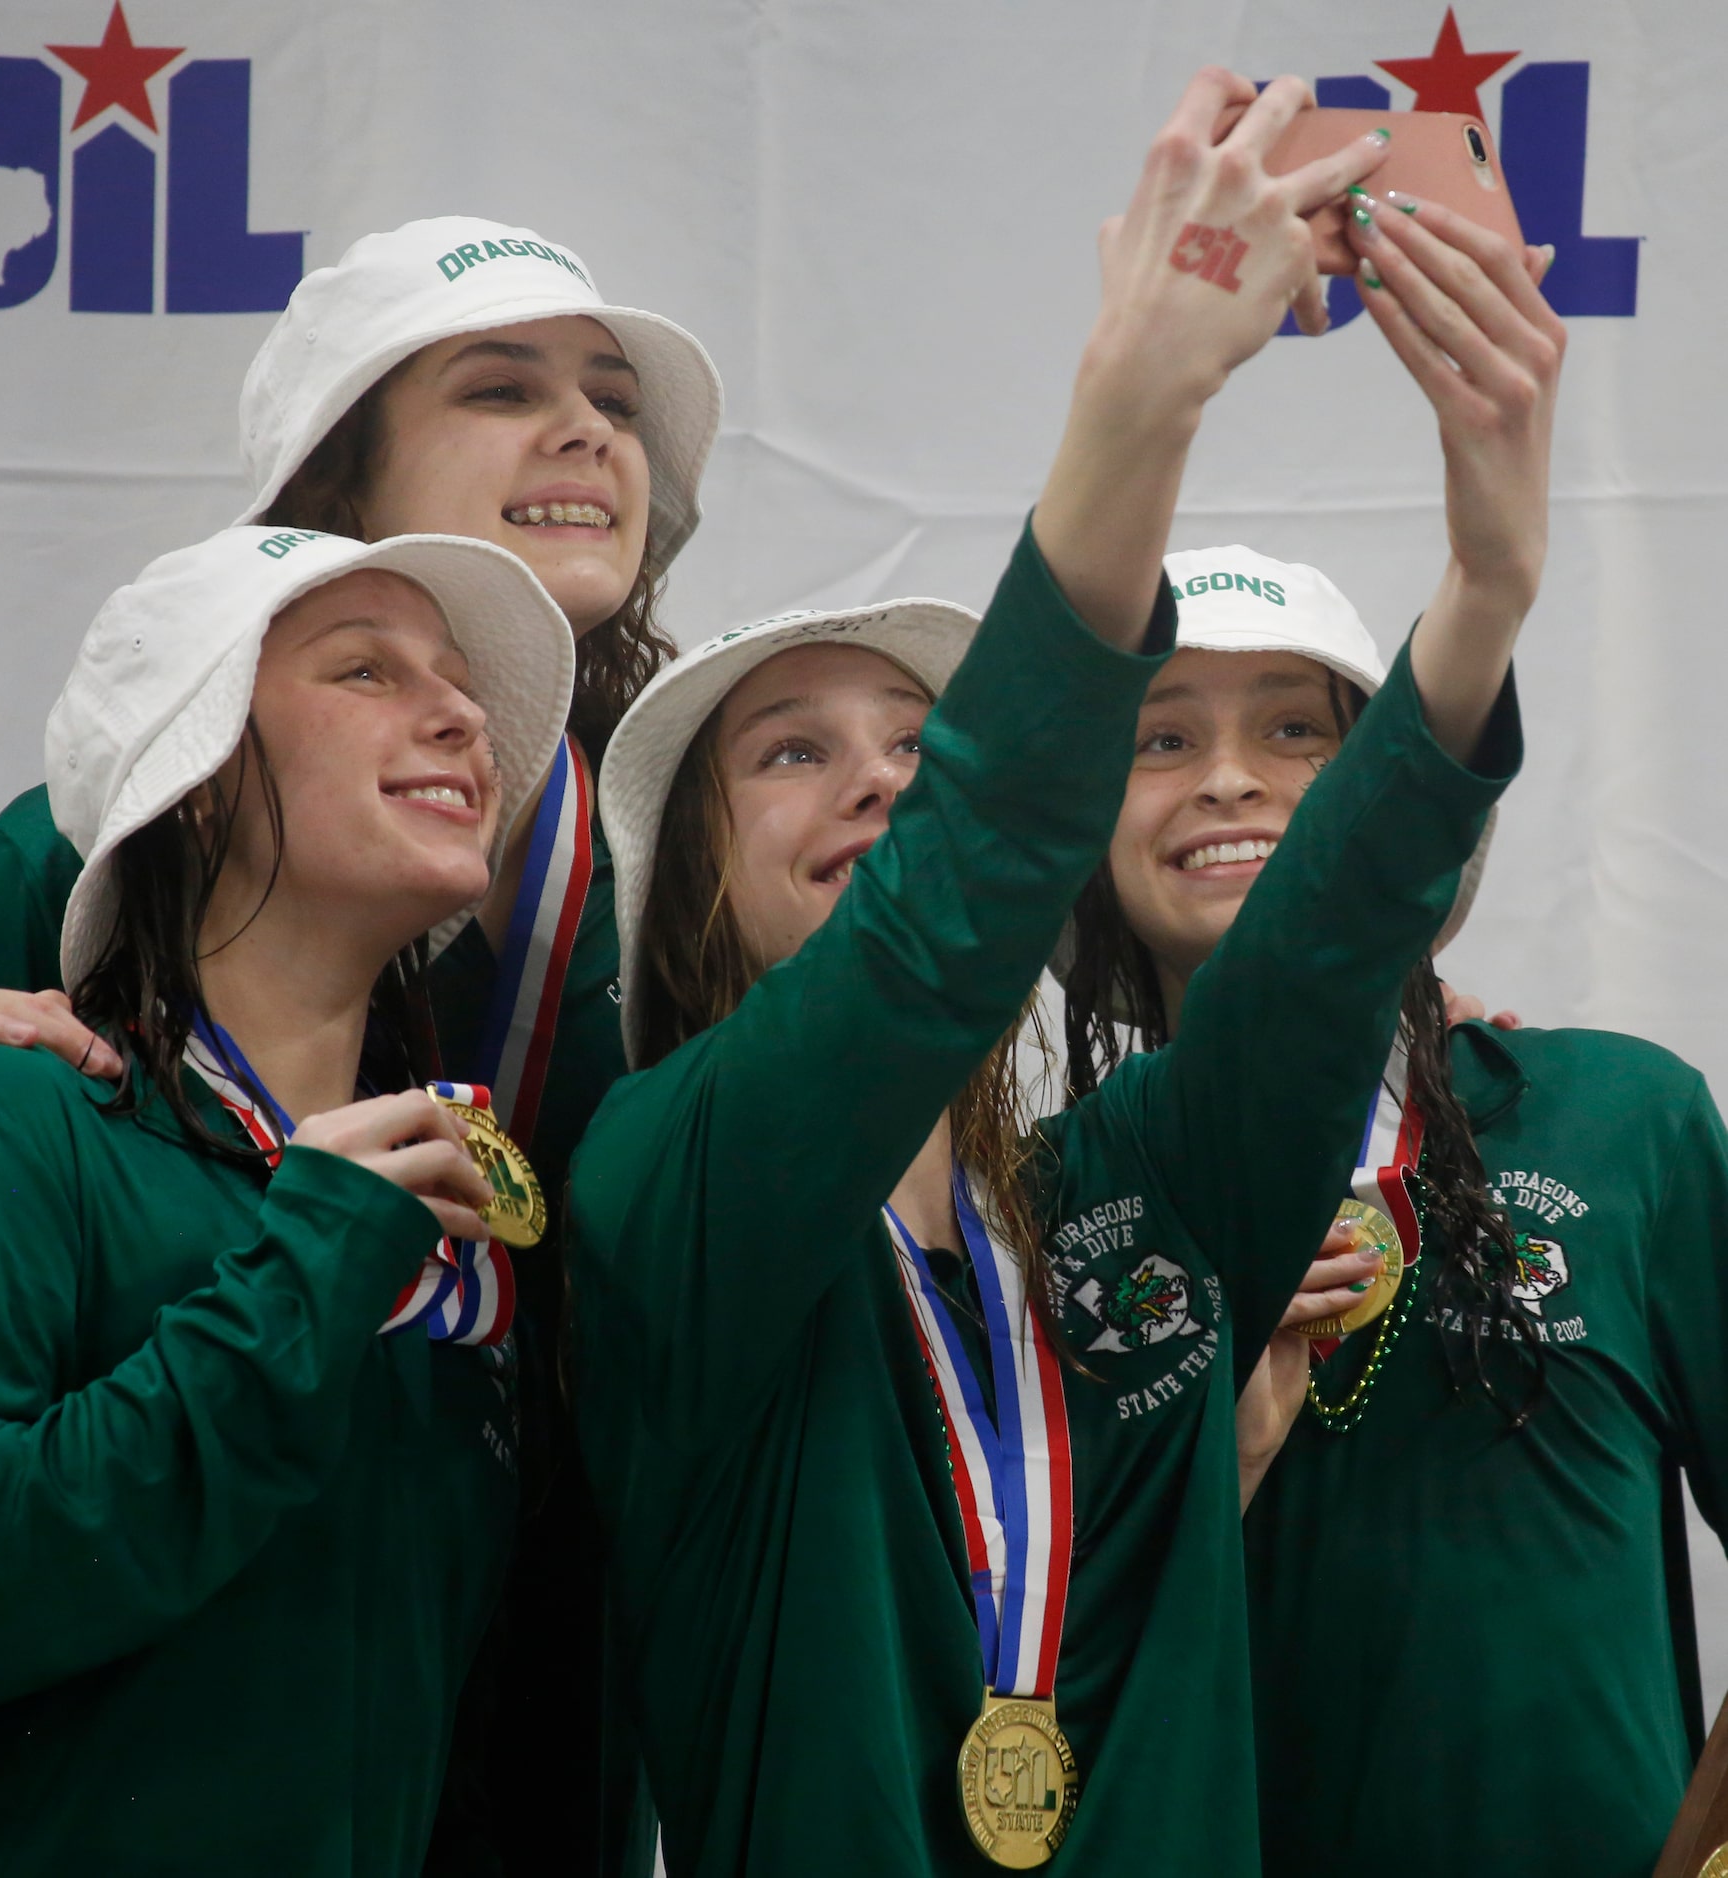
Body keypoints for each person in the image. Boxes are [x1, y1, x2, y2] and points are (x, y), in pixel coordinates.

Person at [565, 70, 1550, 1875]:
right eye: (791, 751)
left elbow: (1318, 959)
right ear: (686, 892)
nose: (877, 774)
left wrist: (1485, 589)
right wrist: (1143, 393)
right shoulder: (666, 1181)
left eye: (913, 744)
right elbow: (940, 919)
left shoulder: (1116, 1200)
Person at [0, 216, 720, 1877]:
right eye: (502, 385)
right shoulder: (87, 853)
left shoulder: (693, 858)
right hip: (177, 1689)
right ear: (333, 484)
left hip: (553, 1660)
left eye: (612, 395)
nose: (589, 430)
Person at [0, 525, 576, 1873]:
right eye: (365, 671)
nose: (460, 713)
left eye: (458, 681)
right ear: (195, 783)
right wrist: (305, 1273)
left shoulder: (448, 1232)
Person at [1225, 660, 1728, 1858]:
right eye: (1158, 741)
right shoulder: (1052, 1203)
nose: (1231, 780)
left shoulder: (1621, 1117)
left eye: (1296, 729)